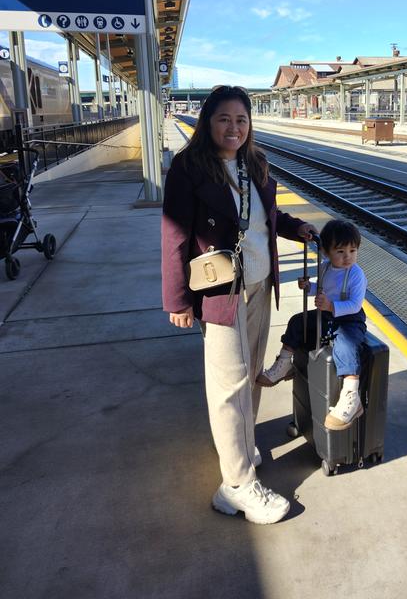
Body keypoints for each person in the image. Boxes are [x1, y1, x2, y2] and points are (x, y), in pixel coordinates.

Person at [161, 85, 316, 525]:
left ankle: (243, 447)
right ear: (208, 122)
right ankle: (236, 485)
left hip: (259, 284)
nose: (234, 127)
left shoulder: (255, 164)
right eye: (224, 119)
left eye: (242, 120)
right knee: (227, 386)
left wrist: (295, 226)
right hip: (219, 292)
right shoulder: (188, 169)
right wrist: (177, 299)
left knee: (248, 376)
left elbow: (264, 217)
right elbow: (174, 236)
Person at [258, 218, 367, 431]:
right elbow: (322, 287)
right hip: (326, 315)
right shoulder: (325, 268)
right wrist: (309, 287)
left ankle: (351, 394)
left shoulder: (356, 274)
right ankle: (285, 363)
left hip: (348, 319)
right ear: (326, 252)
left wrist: (331, 306)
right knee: (297, 322)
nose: (348, 257)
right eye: (341, 252)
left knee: (346, 344)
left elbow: (355, 305)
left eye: (353, 251)